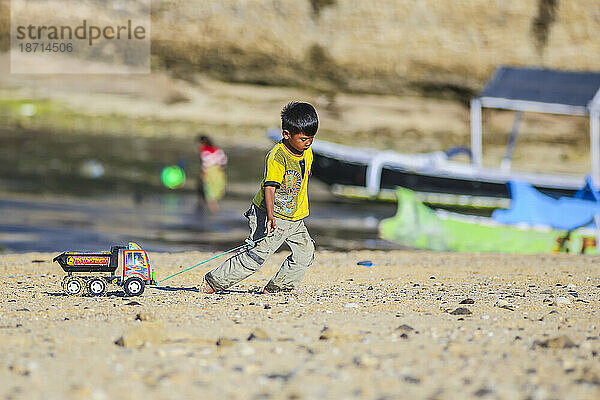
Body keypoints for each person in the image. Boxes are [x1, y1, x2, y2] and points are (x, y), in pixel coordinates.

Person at [201, 101, 318, 294]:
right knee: (256, 255)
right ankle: (214, 283)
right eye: (304, 139)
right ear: (286, 134)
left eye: (311, 138)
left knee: (305, 253)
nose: (308, 143)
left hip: (295, 217)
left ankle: (278, 288)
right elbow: (270, 188)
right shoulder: (277, 157)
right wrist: (270, 217)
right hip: (271, 214)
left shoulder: (307, 152)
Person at [196, 135, 228, 213]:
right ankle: (214, 210)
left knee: (209, 194)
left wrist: (203, 172)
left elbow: (206, 163)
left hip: (210, 172)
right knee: (215, 192)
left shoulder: (205, 151)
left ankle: (213, 211)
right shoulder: (217, 150)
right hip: (218, 171)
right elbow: (224, 160)